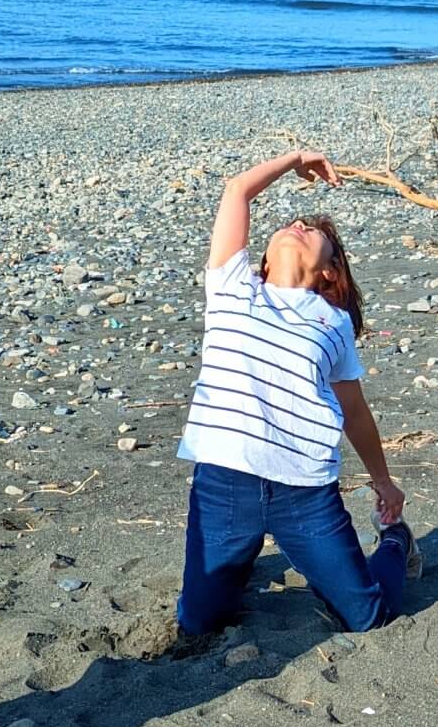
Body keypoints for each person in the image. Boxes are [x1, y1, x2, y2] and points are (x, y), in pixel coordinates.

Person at [176, 149, 414, 635]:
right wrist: (294, 159)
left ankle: (396, 545)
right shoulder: (233, 286)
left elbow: (354, 409)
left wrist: (383, 482)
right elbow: (236, 189)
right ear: (261, 258)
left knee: (368, 618)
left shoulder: (334, 322)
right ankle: (237, 562)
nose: (298, 227)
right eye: (292, 224)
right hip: (224, 484)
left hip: (304, 490)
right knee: (199, 624)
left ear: (330, 270)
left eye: (315, 232)